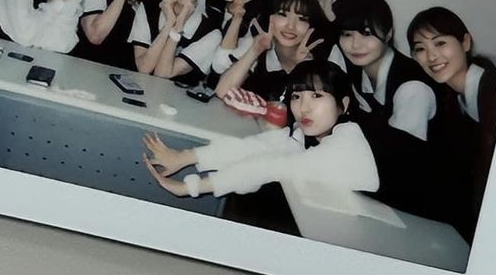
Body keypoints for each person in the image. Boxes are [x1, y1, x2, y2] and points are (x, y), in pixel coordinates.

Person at [143, 60, 379, 201]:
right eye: (297, 96)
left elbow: (273, 167)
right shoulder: (306, 135)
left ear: (344, 105)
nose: (304, 107)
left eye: (316, 96)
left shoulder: (348, 141)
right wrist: (185, 157)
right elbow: (259, 147)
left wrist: (190, 187)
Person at [336, 0, 448, 223]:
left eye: (367, 34)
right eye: (347, 34)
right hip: (380, 190)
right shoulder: (358, 71)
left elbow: (402, 165)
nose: (355, 44)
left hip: (426, 207)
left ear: (388, 34)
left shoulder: (412, 89)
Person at [407, 6, 496, 238]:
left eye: (440, 43)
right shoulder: (450, 102)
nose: (432, 56)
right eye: (420, 49)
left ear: (465, 42)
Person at [214, 0, 329, 101]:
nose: (290, 26)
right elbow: (221, 92)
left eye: (302, 19)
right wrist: (255, 50)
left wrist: (303, 69)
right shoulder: (257, 44)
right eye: (283, 15)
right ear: (270, 17)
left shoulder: (322, 59)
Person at [141, 0, 222, 86]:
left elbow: (162, 74)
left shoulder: (212, 31)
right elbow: (144, 68)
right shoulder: (148, 8)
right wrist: (169, 23)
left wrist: (178, 24)